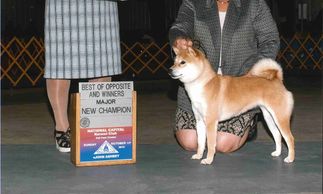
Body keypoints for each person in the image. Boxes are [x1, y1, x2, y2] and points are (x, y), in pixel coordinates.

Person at [169, 0, 280, 152]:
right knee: (189, 141)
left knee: (223, 144)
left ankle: (250, 120)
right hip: (199, 88)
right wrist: (178, 38)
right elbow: (180, 26)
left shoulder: (255, 4)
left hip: (239, 88)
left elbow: (270, 39)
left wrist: (255, 70)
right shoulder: (193, 2)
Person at [44, 0, 122, 152]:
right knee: (60, 60)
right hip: (63, 5)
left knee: (102, 61)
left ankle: (95, 128)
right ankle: (61, 127)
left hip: (102, 5)